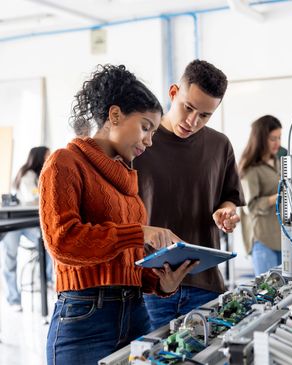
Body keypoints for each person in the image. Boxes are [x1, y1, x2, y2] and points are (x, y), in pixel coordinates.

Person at [39, 64, 198, 364]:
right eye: (145, 127)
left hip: (137, 314)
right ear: (115, 115)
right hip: (85, 320)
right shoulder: (65, 163)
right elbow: (63, 242)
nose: (150, 141)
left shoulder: (127, 179)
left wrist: (159, 283)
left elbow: (125, 259)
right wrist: (139, 233)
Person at [134, 59, 245, 330]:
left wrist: (227, 212)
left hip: (205, 284)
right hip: (150, 285)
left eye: (204, 115)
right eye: (188, 107)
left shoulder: (220, 145)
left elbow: (229, 198)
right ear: (173, 93)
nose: (193, 121)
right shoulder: (139, 141)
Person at [0, 146, 52, 311]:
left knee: (49, 243)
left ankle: (48, 280)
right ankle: (13, 299)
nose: (50, 157)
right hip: (15, 221)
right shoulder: (27, 174)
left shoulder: (41, 174)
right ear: (39, 157)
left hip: (31, 222)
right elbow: (33, 197)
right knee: (10, 259)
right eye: (47, 155)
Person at [238, 115, 282, 276]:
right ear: (261, 139)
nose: (278, 143)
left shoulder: (277, 162)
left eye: (279, 138)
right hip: (263, 240)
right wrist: (275, 198)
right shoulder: (250, 168)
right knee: (269, 292)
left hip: (281, 238)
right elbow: (250, 207)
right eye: (273, 139)